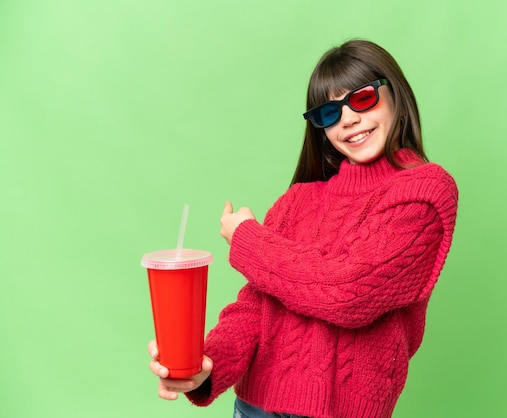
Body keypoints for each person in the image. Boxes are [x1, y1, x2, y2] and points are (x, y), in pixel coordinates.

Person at [148, 39, 458, 418]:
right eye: (329, 113)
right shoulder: (296, 200)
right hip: (254, 408)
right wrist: (205, 367)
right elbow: (253, 310)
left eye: (362, 100)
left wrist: (247, 238)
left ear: (396, 96)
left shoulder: (424, 192)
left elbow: (349, 292)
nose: (348, 120)